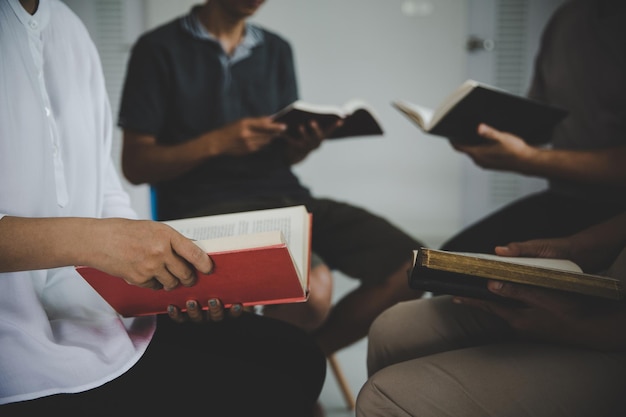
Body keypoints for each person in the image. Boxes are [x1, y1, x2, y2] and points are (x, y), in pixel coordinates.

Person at [0, 1, 326, 416]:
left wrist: (161, 280)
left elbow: (105, 189)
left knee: (299, 361)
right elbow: (133, 171)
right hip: (16, 348)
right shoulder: (160, 48)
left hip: (93, 309)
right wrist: (96, 242)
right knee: (270, 387)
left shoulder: (69, 29)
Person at [117, 0, 425, 355]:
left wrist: (301, 146)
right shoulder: (157, 49)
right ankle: (288, 378)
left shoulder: (277, 49)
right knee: (314, 292)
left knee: (414, 265)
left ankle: (300, 366)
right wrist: (218, 141)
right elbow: (136, 165)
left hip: (285, 196)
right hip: (205, 205)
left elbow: (282, 152)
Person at [356, 210, 626, 417]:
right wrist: (576, 246)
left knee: (384, 398)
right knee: (393, 329)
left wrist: (600, 331)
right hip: (610, 286)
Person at [440, 0, 626, 255]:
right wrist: (479, 130)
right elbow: (538, 120)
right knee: (452, 258)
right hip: (565, 197)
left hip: (616, 211)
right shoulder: (568, 18)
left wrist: (527, 159)